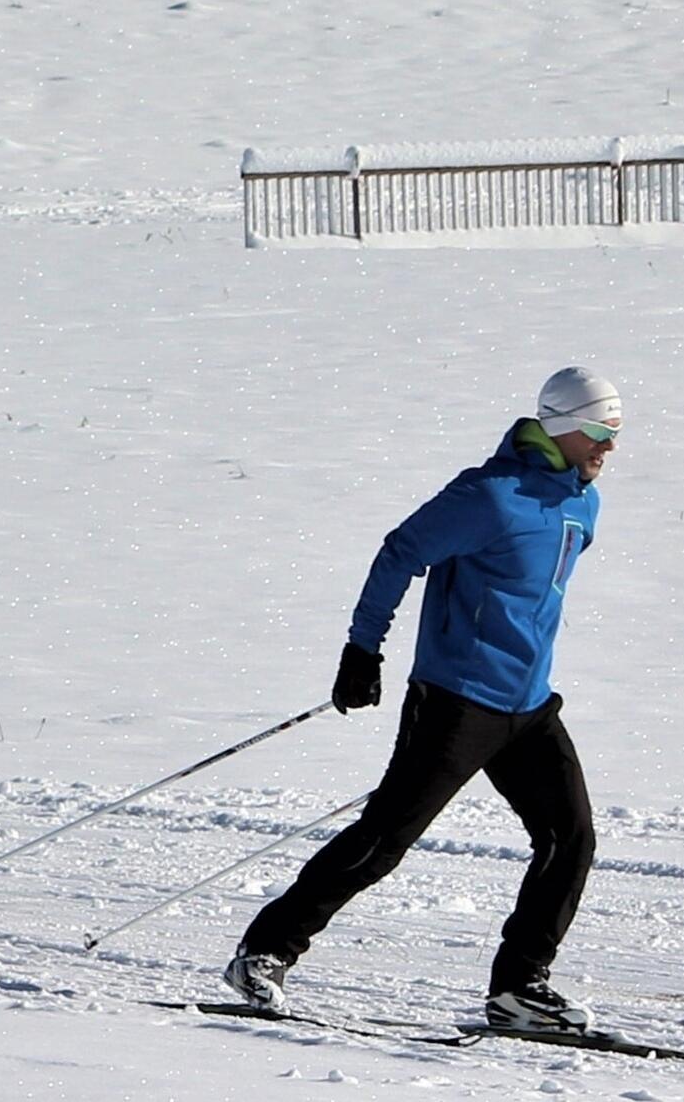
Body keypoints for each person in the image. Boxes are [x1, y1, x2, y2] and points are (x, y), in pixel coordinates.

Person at [224, 367, 624, 1033]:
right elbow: (401, 551)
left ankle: (519, 989)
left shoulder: (582, 504)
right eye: (597, 432)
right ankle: (264, 952)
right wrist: (363, 649)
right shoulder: (489, 495)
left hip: (528, 707)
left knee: (570, 838)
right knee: (384, 839)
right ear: (558, 426)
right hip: (457, 701)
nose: (608, 446)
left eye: (615, 433)